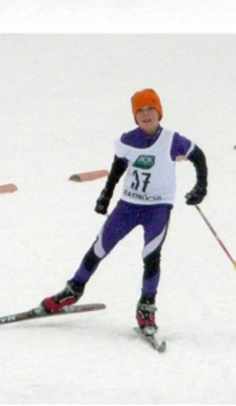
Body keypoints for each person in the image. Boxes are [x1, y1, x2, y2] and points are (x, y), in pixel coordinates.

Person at [40, 88, 208, 335]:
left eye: (150, 109)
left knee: (151, 255)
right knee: (99, 247)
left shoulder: (172, 140)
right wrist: (106, 194)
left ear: (159, 112)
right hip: (128, 206)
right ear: (135, 116)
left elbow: (199, 156)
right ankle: (73, 290)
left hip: (158, 207)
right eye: (140, 111)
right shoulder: (128, 140)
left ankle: (146, 308)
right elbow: (118, 166)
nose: (146, 114)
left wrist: (200, 187)